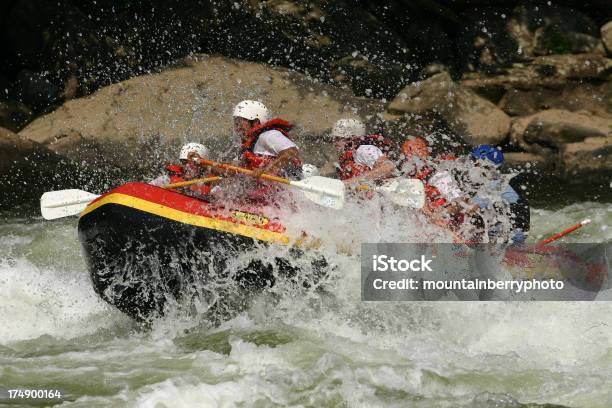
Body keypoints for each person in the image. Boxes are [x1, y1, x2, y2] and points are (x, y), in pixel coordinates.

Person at [466, 145, 530, 245]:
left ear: (484, 165)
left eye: (474, 162)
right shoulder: (503, 181)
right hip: (519, 234)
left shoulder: (492, 186)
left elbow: (469, 209)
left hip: (503, 236)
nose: (471, 166)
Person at [232, 100, 303, 179]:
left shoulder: (269, 135)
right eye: (236, 124)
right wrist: (216, 167)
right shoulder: (247, 146)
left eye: (239, 123)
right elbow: (236, 171)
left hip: (291, 183)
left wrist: (267, 170)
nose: (237, 129)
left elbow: (291, 152)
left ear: (255, 122)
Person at [332, 118, 396, 184]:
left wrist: (349, 182)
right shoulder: (347, 157)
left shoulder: (365, 150)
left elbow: (388, 168)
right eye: (334, 139)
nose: (334, 143)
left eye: (337, 139)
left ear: (350, 139)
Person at [150, 142, 214, 198]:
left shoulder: (213, 189)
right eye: (184, 162)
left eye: (193, 163)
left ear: (202, 166)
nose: (187, 166)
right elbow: (147, 190)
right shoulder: (166, 180)